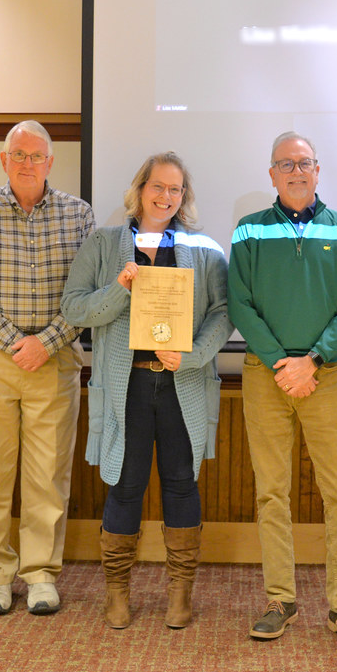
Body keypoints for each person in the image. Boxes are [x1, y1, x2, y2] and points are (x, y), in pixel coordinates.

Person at [61, 152, 231, 630]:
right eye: (158, 186)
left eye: (175, 189)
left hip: (183, 383)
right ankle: (117, 593)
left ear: (184, 197)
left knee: (181, 484)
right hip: (126, 386)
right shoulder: (103, 244)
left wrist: (194, 354)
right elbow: (74, 310)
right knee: (125, 484)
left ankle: (180, 593)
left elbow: (223, 314)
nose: (165, 196)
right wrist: (119, 288)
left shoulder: (206, 251)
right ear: (139, 190)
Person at [228, 131, 337, 649]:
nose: (296, 171)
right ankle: (279, 600)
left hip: (325, 374)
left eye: (304, 163)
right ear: (271, 174)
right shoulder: (248, 231)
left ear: (318, 170)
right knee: (272, 492)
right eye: (285, 164)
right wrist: (280, 364)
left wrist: (310, 361)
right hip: (263, 374)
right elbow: (240, 304)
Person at [0, 120, 95, 615]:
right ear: (4, 160)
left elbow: (86, 294)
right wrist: (17, 343)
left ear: (51, 162)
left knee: (46, 476)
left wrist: (46, 342)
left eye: (37, 156)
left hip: (55, 361)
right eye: (20, 155)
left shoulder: (78, 215)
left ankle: (39, 575)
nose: (28, 163)